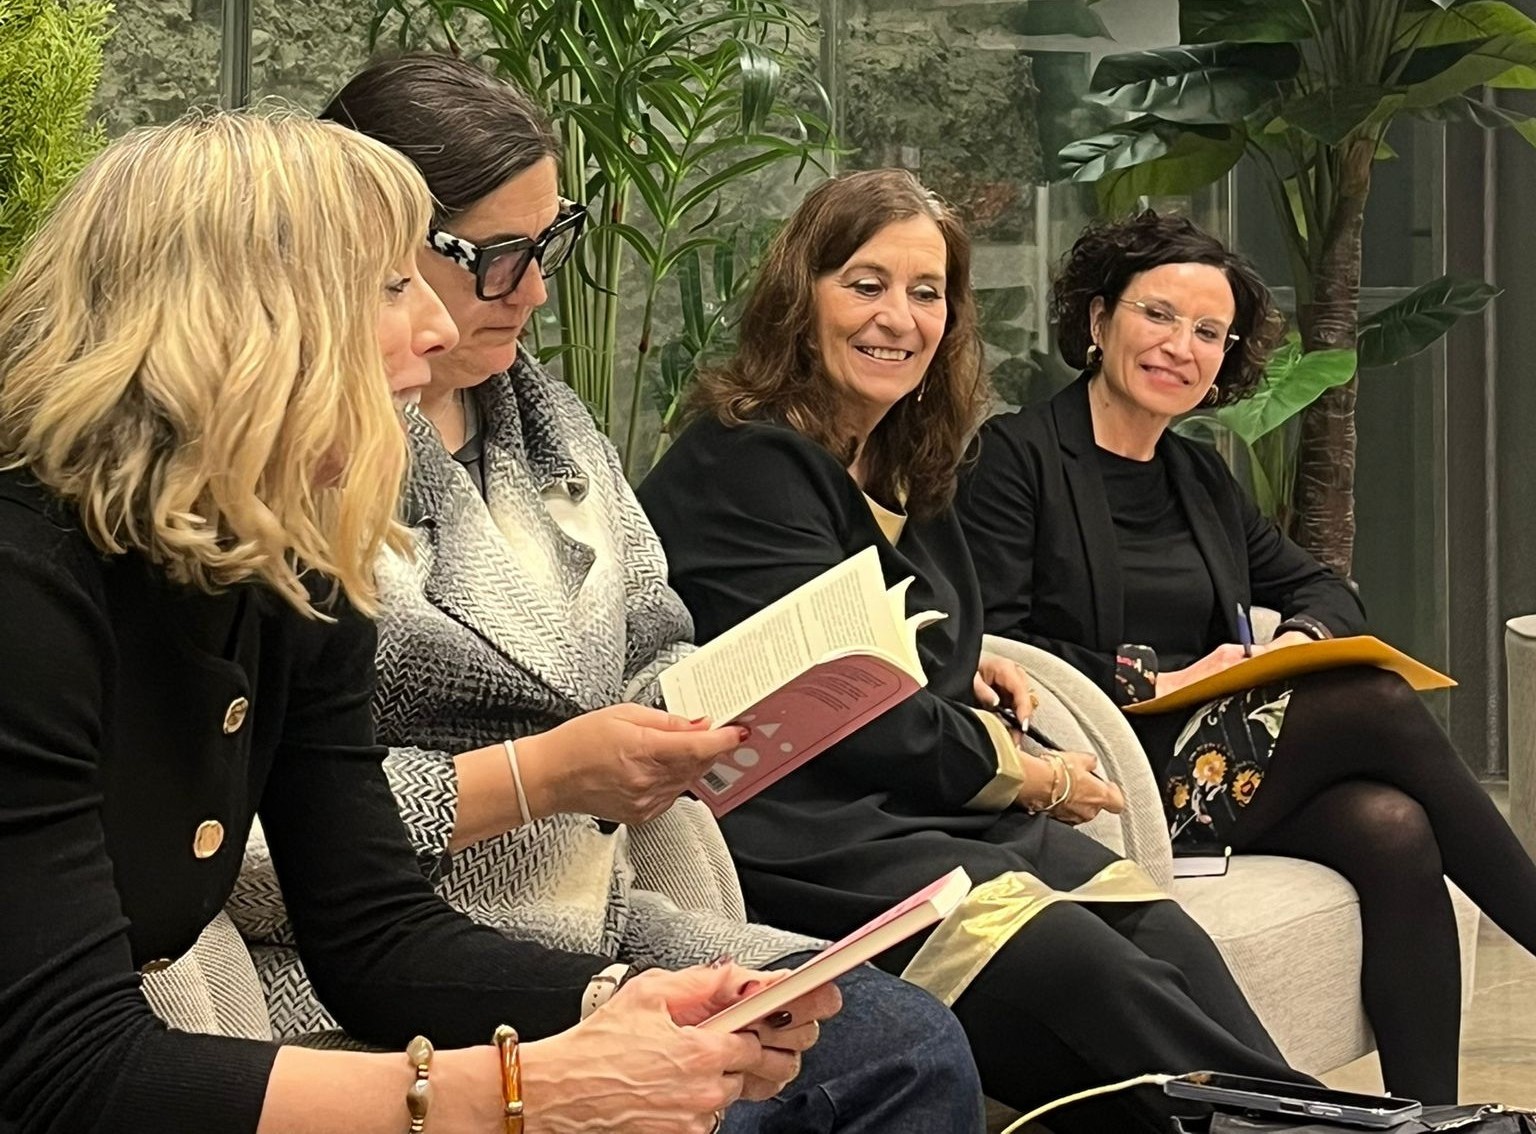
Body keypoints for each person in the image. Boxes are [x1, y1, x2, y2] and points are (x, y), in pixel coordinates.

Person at [0, 109, 847, 1134]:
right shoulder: (26, 581)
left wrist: (619, 1006)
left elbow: (372, 933)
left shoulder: (291, 561)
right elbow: (60, 1069)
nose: (438, 329)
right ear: (241, 318)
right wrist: (527, 1092)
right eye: (393, 285)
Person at [227, 55, 985, 1134]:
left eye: (550, 247)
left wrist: (695, 722)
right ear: (358, 252)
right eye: (498, 257)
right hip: (385, 969)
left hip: (596, 914)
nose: (536, 292)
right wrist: (542, 777)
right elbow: (273, 841)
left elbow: (653, 635)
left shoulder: (553, 426)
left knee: (904, 1039)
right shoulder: (293, 482)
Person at [637, 168, 1313, 1131]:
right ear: (801, 295)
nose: (899, 318)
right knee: (1088, 971)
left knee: (1165, 936)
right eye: (865, 285)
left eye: (928, 293)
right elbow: (855, 704)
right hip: (803, 833)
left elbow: (925, 644)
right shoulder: (745, 461)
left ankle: (1328, 1122)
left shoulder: (907, 458)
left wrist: (971, 665)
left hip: (919, 807)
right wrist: (1035, 775)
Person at [953, 208, 1536, 1103]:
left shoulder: (1197, 476)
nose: (1179, 346)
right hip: (1108, 769)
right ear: (1099, 319)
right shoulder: (1016, 458)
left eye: (1208, 332)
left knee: (1393, 826)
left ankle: (1431, 1119)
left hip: (1222, 765)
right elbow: (993, 641)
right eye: (1158, 315)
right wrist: (1158, 678)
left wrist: (1294, 642)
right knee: (1376, 698)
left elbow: (1323, 588)